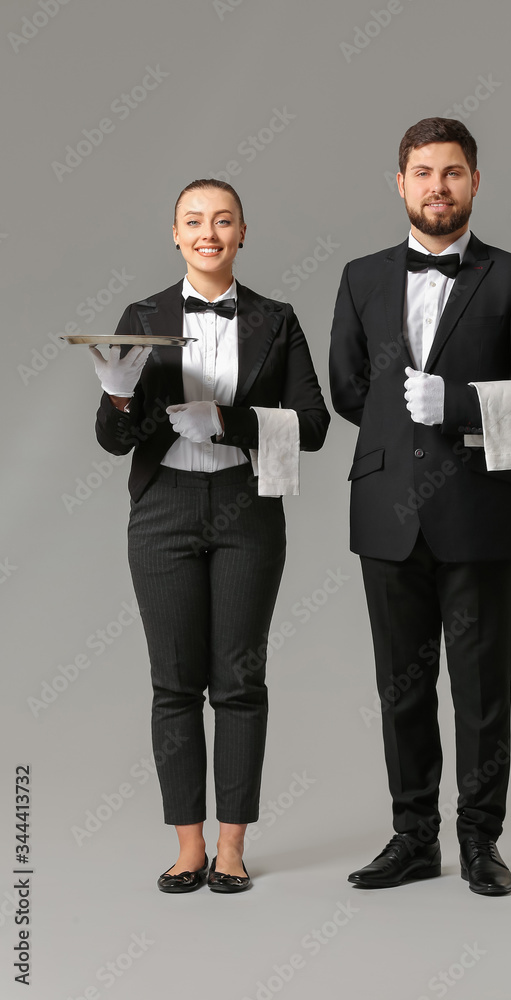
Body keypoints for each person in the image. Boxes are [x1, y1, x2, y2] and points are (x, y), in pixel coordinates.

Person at [329, 118, 511, 895]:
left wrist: (457, 404)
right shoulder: (360, 276)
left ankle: (478, 841)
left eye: (452, 172)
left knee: (480, 690)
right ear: (399, 183)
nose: (438, 187)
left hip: (479, 512)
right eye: (424, 173)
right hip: (385, 511)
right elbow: (348, 389)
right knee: (399, 690)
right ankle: (412, 839)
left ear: (474, 183)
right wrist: (405, 438)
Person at [91, 179, 329, 893]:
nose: (208, 233)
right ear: (175, 233)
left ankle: (231, 848)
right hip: (161, 508)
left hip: (245, 507)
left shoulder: (276, 319)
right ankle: (187, 847)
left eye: (223, 220)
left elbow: (314, 424)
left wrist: (228, 421)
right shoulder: (141, 316)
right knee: (173, 684)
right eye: (193, 221)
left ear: (242, 233)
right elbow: (112, 441)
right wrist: (119, 398)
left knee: (239, 682)